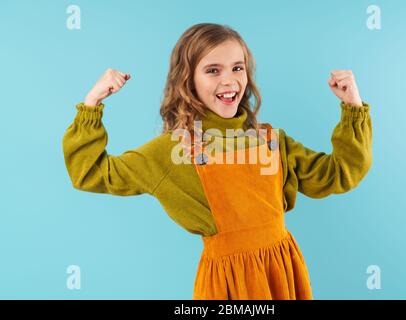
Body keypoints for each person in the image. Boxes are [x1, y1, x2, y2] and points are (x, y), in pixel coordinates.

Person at [62, 23, 372, 300]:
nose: (229, 80)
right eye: (213, 70)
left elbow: (338, 173)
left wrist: (353, 106)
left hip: (282, 274)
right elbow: (89, 172)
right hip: (227, 286)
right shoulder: (174, 151)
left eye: (238, 68)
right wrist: (92, 103)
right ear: (188, 80)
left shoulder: (270, 140)